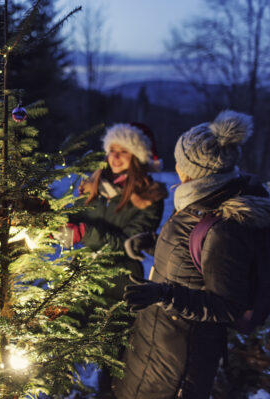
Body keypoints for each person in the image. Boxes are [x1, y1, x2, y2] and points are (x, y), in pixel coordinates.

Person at [114, 110, 270, 399]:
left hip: (180, 360)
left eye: (179, 160)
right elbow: (197, 258)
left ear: (189, 169)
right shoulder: (207, 199)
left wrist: (163, 294)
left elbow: (227, 305)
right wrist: (153, 242)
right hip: (160, 341)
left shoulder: (223, 225)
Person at [67, 123, 167, 397]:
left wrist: (85, 233)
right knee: (59, 349)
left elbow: (129, 243)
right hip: (81, 280)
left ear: (137, 156)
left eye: (124, 151)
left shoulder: (150, 196)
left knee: (112, 365)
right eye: (112, 150)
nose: (115, 156)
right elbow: (71, 221)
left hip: (119, 286)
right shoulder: (94, 185)